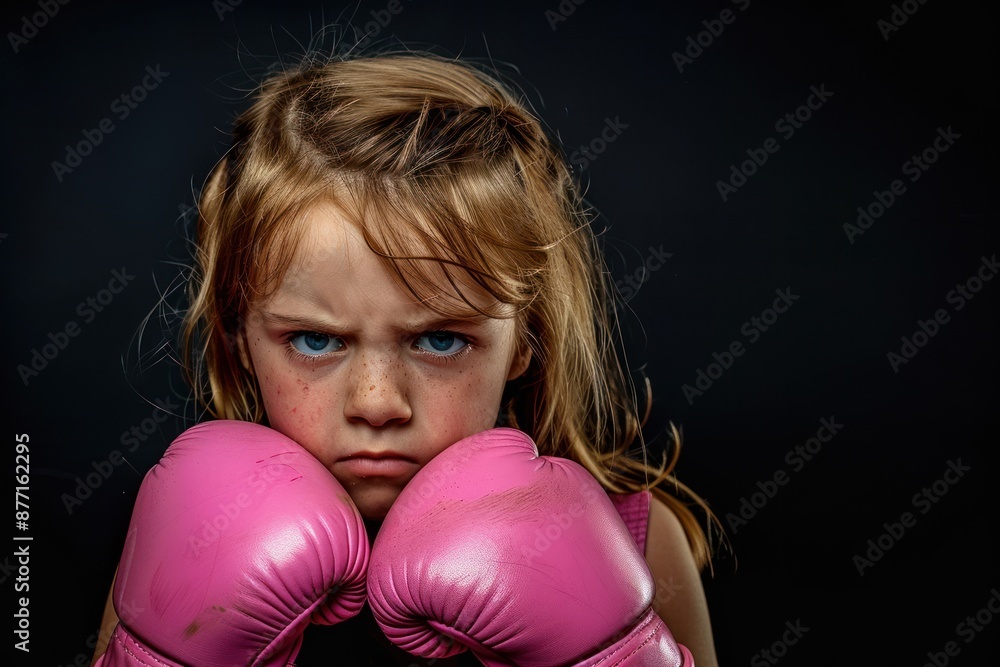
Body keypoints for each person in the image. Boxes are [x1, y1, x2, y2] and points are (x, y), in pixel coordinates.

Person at [91, 46, 722, 666]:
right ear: (240, 339)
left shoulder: (633, 538)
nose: (377, 404)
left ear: (525, 343)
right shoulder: (193, 538)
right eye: (316, 340)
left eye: (440, 340)